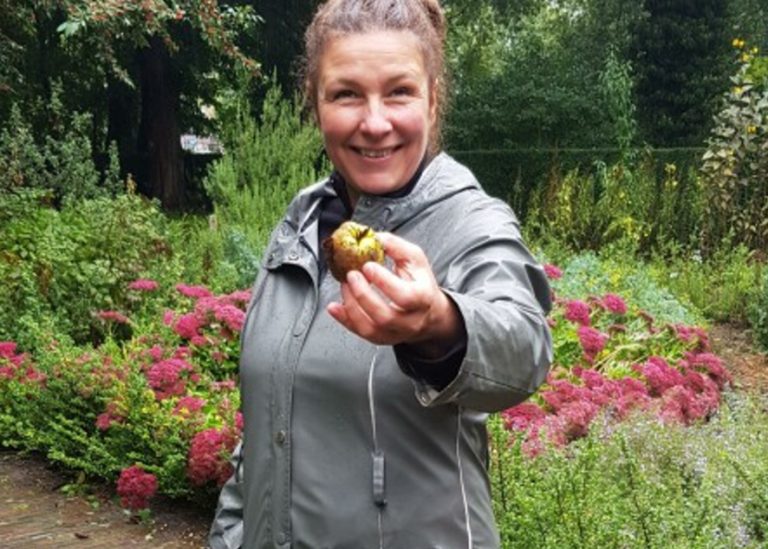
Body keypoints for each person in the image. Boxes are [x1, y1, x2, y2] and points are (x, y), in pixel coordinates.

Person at [209, 0, 553, 547]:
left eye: (399, 91)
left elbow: (525, 347)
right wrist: (232, 533)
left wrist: (440, 323)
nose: (374, 122)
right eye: (346, 93)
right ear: (315, 105)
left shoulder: (472, 221)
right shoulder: (300, 224)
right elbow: (268, 421)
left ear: (433, 100)